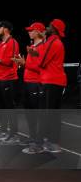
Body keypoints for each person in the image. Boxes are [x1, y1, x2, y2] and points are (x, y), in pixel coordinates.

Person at [34, 19, 67, 153]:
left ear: (53, 28)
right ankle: (51, 141)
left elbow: (41, 62)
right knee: (51, 113)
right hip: (53, 81)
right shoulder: (52, 41)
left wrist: (34, 53)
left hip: (52, 81)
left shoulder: (52, 42)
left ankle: (48, 143)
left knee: (48, 113)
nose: (46, 27)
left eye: (49, 26)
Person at [12, 22, 45, 153]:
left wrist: (24, 63)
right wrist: (21, 63)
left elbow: (40, 67)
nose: (29, 32)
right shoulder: (32, 46)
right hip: (27, 82)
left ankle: (39, 142)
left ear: (38, 32)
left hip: (36, 83)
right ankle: (32, 137)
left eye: (31, 30)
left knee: (37, 114)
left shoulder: (43, 47)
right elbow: (30, 65)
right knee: (29, 113)